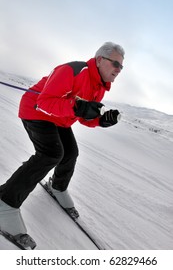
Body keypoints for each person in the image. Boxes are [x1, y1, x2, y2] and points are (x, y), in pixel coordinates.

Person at [0, 41, 125, 236]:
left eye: (121, 66)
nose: (119, 70)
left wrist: (100, 120)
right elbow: (44, 102)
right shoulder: (73, 70)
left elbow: (83, 116)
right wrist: (76, 107)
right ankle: (5, 202)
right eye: (116, 64)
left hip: (59, 119)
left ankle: (58, 187)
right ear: (100, 60)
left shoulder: (99, 86)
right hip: (36, 111)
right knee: (51, 153)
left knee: (71, 153)